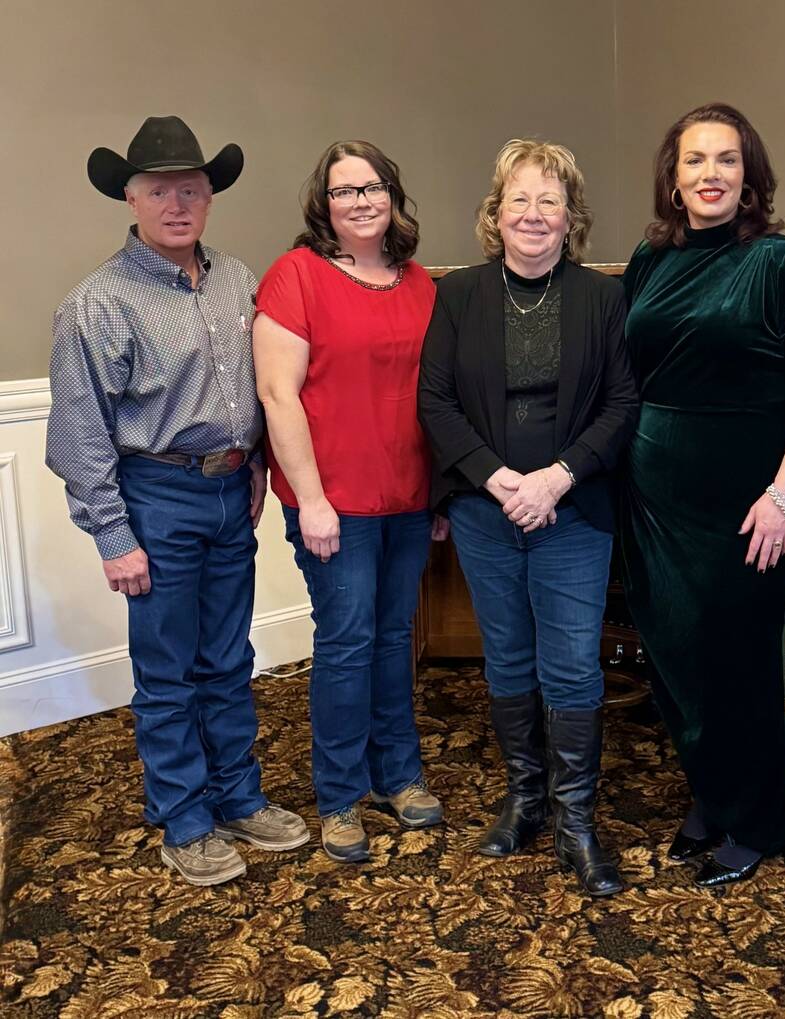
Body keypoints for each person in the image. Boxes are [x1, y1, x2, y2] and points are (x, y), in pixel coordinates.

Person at [46, 116, 309, 886]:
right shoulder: (96, 304)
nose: (176, 202)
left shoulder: (236, 279)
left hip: (231, 492)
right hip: (155, 496)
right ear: (129, 197)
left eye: (190, 188)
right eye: (159, 189)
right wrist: (112, 535)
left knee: (229, 656)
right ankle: (185, 816)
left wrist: (256, 458)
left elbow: (262, 384)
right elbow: (78, 431)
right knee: (167, 669)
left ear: (210, 196)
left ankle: (238, 795)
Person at [620, 103, 785, 887]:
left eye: (725, 159)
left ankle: (755, 818)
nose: (709, 174)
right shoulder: (649, 262)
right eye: (693, 161)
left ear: (748, 173)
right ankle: (710, 796)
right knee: (676, 657)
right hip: (654, 495)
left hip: (753, 497)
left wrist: (783, 494)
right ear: (672, 178)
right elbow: (630, 377)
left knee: (741, 657)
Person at [418, 139, 639, 896]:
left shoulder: (602, 298)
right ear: (496, 213)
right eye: (520, 199)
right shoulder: (459, 295)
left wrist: (557, 476)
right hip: (487, 512)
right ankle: (526, 799)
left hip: (572, 512)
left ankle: (576, 819)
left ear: (569, 215)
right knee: (508, 660)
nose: (534, 214)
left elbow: (622, 403)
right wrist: (497, 477)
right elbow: (435, 403)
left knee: (571, 664)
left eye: (550, 200)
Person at [254, 141, 444, 864]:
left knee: (395, 637)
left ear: (392, 197)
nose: (360, 201)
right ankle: (338, 795)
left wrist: (439, 493)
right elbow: (277, 395)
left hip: (408, 496)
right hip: (334, 502)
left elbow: (436, 396)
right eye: (344, 191)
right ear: (323, 204)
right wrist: (311, 499)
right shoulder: (295, 277)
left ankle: (397, 774)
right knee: (346, 640)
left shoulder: (420, 283)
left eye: (373, 187)